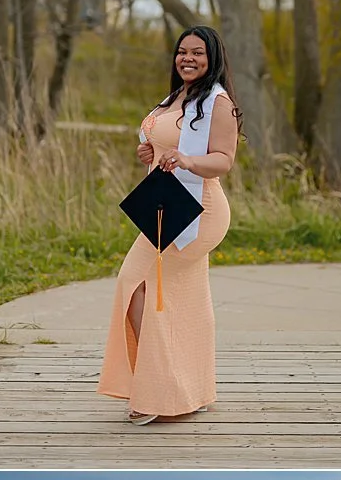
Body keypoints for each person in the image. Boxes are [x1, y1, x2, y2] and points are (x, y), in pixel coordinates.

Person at [97, 24, 240, 425]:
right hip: (168, 206)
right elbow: (164, 141)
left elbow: (224, 160)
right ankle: (191, 390)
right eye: (182, 51)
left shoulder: (218, 102)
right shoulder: (177, 96)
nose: (187, 58)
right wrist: (150, 151)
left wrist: (188, 160)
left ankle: (158, 393)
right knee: (185, 297)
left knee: (135, 283)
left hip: (198, 210)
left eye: (197, 53)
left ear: (212, 58)